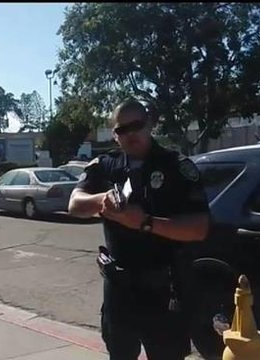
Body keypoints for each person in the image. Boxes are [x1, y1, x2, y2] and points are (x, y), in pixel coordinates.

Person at [68, 99, 210, 360]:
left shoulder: (176, 166)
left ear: (150, 125)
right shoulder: (106, 165)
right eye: (123, 129)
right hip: (119, 289)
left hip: (163, 289)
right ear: (115, 134)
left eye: (137, 125)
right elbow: (74, 204)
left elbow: (199, 228)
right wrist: (102, 200)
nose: (130, 134)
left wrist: (145, 222)